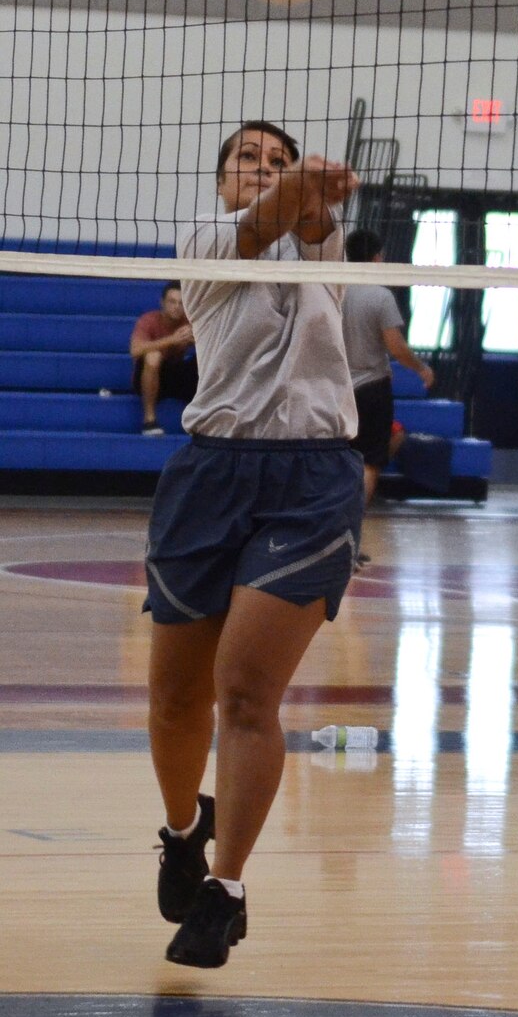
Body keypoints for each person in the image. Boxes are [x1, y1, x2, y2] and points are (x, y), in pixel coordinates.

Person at [145, 122, 364, 969]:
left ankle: (226, 888)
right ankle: (181, 828)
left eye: (277, 159)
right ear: (221, 178)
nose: (263, 170)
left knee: (244, 691)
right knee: (174, 702)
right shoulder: (205, 240)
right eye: (249, 159)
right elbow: (265, 221)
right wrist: (299, 179)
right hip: (210, 473)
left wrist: (316, 193)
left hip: (312, 481)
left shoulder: (326, 242)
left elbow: (304, 223)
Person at [341, 229, 435, 562]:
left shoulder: (332, 288)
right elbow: (395, 346)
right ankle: (348, 542)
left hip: (336, 390)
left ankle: (327, 544)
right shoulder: (380, 296)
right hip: (371, 389)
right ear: (377, 257)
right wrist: (421, 368)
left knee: (336, 465)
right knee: (369, 464)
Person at [130, 281, 199, 434]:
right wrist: (172, 340)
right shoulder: (148, 320)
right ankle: (149, 419)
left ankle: (202, 417)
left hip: (176, 376)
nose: (176, 306)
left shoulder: (189, 323)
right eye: (172, 302)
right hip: (149, 375)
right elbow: (135, 350)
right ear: (162, 303)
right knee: (153, 356)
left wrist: (198, 340)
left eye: (181, 303)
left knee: (203, 359)